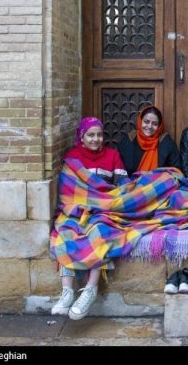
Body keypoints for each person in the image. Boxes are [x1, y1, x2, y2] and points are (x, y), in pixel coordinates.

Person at [51, 116, 127, 320]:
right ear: (82, 137)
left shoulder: (112, 156)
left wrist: (109, 200)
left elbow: (122, 184)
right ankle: (67, 291)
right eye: (90, 135)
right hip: (77, 211)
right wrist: (80, 207)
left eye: (99, 135)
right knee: (65, 232)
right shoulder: (72, 159)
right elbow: (68, 191)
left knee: (100, 234)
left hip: (103, 210)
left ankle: (90, 289)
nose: (96, 139)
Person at [117, 105, 181, 175]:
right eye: (146, 122)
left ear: (159, 126)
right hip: (132, 183)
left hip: (158, 184)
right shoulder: (129, 140)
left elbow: (175, 171)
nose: (150, 126)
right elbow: (119, 169)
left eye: (155, 124)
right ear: (140, 121)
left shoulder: (167, 143)